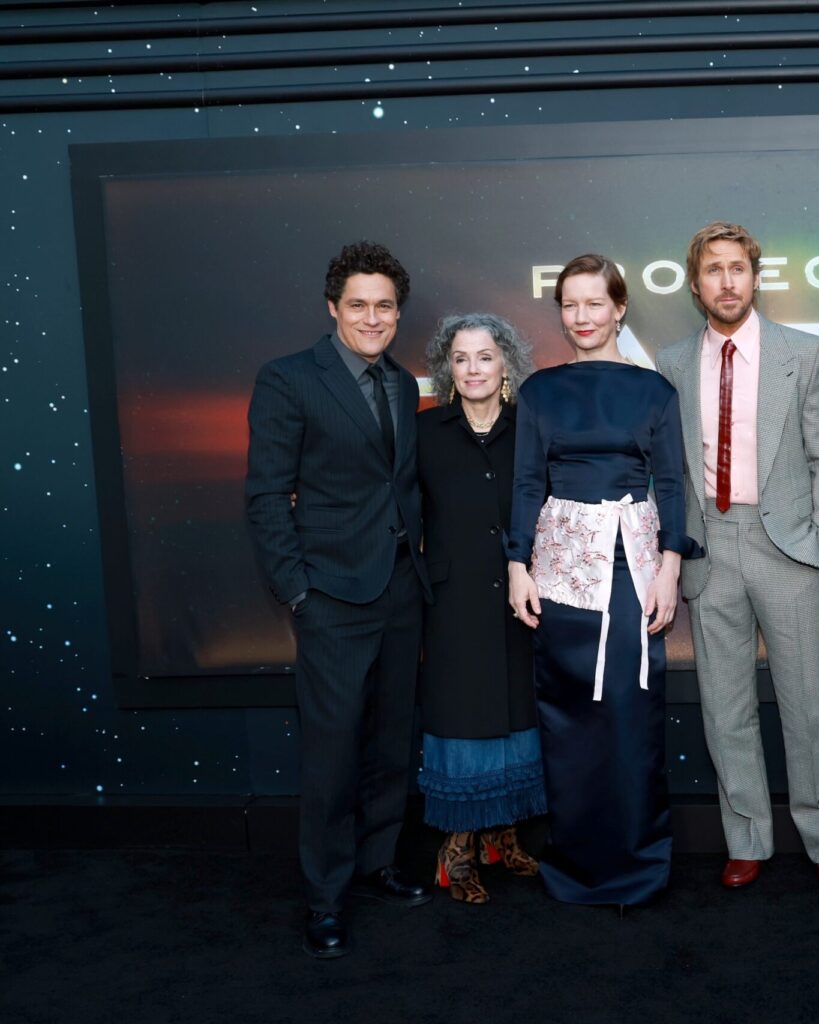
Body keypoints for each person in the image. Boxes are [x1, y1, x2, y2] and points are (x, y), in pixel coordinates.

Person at [245, 240, 432, 959]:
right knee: (331, 753)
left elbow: (401, 486)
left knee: (391, 741)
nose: (373, 317)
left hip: (400, 589)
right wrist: (297, 588)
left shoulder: (402, 383)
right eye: (358, 304)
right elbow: (265, 494)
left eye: (385, 306)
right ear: (333, 308)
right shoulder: (289, 379)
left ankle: (378, 862)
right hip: (330, 595)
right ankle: (325, 896)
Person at [656, 222, 819, 892]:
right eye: (713, 269)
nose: (727, 281)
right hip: (711, 546)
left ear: (755, 275)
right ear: (695, 283)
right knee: (725, 707)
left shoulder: (803, 350)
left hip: (788, 548)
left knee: (809, 707)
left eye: (738, 268)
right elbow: (673, 469)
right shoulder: (674, 361)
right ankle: (746, 837)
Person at [505, 254, 702, 907]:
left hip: (630, 571)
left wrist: (670, 569)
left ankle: (638, 867)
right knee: (568, 719)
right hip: (560, 575)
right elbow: (528, 482)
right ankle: (576, 866)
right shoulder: (537, 391)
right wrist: (517, 565)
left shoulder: (654, 391)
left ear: (619, 308)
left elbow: (673, 484)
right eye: (571, 304)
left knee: (626, 714)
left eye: (596, 303)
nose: (583, 316)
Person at [417, 313, 546, 904]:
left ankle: (503, 835)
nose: (473, 368)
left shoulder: (531, 429)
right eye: (462, 358)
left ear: (506, 365)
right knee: (464, 718)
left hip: (524, 597)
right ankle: (458, 850)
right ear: (449, 367)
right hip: (452, 601)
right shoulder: (426, 432)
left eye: (485, 356)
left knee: (516, 709)